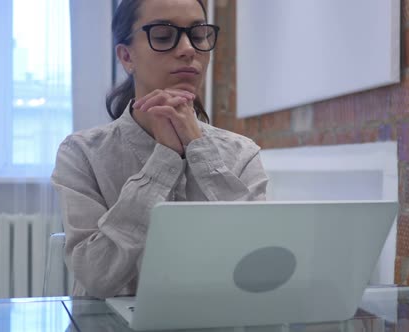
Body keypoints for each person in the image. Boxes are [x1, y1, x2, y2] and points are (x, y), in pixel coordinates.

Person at [51, 0, 269, 298]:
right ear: (126, 56)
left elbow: (261, 264)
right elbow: (96, 276)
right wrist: (164, 160)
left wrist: (199, 150)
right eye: (164, 36)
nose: (188, 49)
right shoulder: (82, 154)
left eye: (199, 34)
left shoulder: (241, 154)